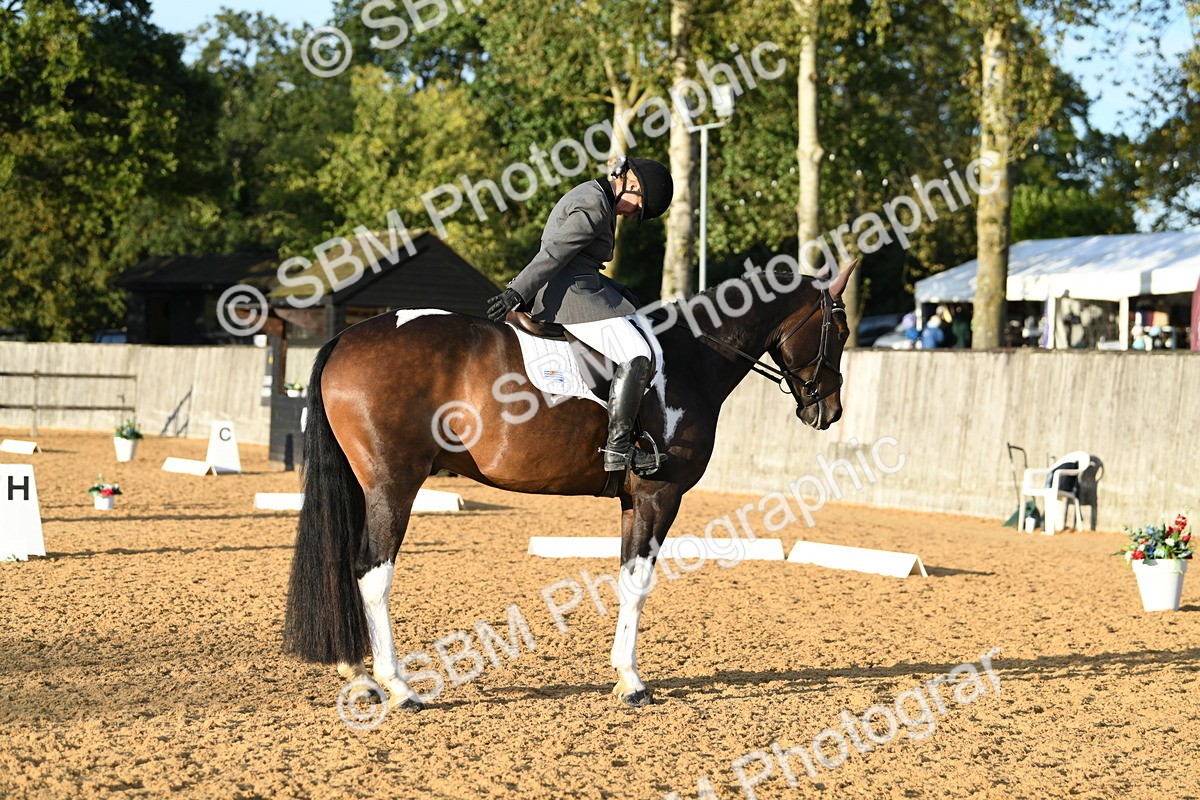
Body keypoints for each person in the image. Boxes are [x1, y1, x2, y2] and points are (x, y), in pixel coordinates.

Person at [485, 156, 674, 475]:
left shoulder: (596, 196)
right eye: (637, 208)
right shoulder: (594, 205)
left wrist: (616, 288)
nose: (631, 215)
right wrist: (517, 291)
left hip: (581, 286)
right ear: (633, 185)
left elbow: (579, 261)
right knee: (638, 354)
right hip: (571, 297)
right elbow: (555, 253)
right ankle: (618, 448)